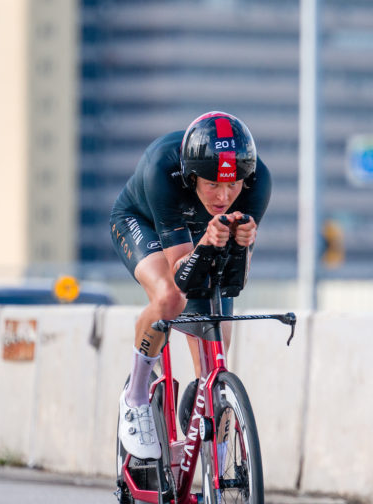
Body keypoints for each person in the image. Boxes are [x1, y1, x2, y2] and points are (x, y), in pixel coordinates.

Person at [110, 111, 272, 463]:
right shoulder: (161, 169)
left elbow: (233, 280)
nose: (224, 196)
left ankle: (208, 427)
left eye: (232, 185)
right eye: (212, 184)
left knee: (216, 343)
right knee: (170, 298)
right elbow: (182, 271)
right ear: (192, 176)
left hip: (203, 236)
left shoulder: (259, 180)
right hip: (145, 224)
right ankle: (135, 397)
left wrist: (242, 244)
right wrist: (206, 244)